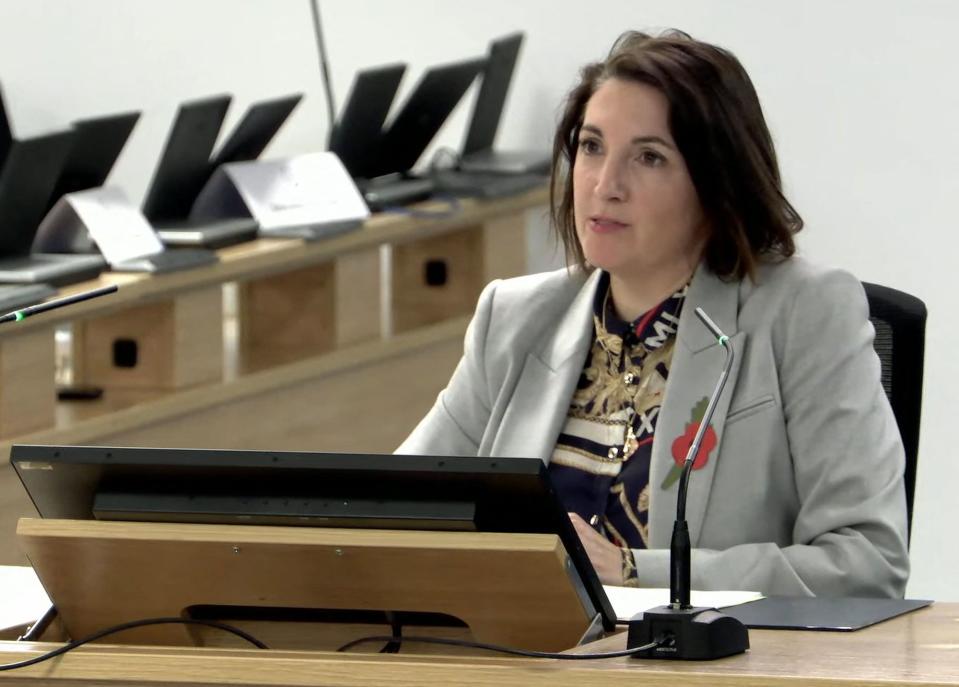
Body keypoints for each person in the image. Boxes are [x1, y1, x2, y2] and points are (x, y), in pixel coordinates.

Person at [396, 30, 909, 598]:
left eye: (648, 157)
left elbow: (866, 563)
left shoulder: (804, 314)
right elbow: (394, 509)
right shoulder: (515, 318)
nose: (604, 185)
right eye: (591, 147)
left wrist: (638, 573)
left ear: (715, 181)